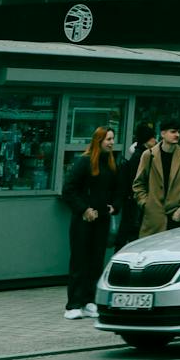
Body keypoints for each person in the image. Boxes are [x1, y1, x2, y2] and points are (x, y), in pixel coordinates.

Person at [61, 126, 120, 318]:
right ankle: (73, 305)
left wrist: (114, 206)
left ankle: (89, 301)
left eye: (112, 139)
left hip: (101, 221)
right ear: (98, 141)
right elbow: (69, 189)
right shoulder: (84, 162)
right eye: (108, 139)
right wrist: (84, 209)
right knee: (79, 261)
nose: (111, 142)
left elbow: (116, 191)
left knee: (96, 261)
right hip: (82, 222)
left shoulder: (111, 164)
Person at [132, 120, 180, 236]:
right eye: (173, 132)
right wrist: (146, 204)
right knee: (150, 252)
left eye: (178, 132)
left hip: (175, 218)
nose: (177, 135)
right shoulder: (149, 155)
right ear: (163, 134)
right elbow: (138, 184)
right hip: (153, 219)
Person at [115, 120, 157, 245]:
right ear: (147, 140)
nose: (155, 141)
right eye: (153, 138)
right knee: (131, 231)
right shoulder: (140, 157)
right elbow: (138, 180)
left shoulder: (139, 154)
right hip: (134, 202)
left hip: (132, 201)